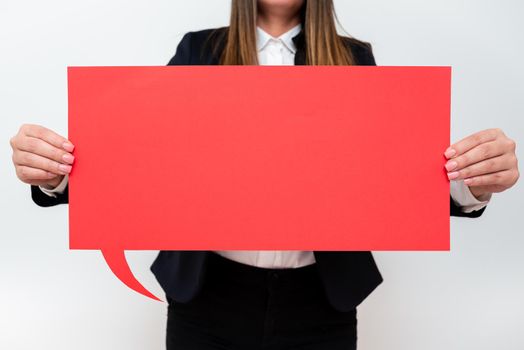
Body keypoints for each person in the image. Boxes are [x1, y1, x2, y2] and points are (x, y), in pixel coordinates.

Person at [9, 0, 520, 349]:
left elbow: (388, 180)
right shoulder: (198, 51)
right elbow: (148, 165)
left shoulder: (354, 58)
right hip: (207, 293)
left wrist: (472, 183)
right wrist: (55, 173)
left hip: (321, 296)